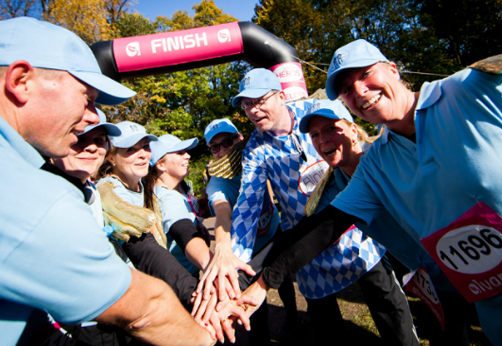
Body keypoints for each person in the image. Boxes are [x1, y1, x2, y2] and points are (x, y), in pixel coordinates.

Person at [234, 39, 502, 345]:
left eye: (365, 74)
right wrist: (263, 284)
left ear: (393, 68)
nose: (358, 91)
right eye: (345, 89)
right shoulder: (377, 166)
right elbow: (326, 226)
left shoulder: (475, 90)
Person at [0, 16, 217, 346]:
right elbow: (143, 308)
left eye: (101, 138)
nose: (91, 117)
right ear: (21, 81)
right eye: (86, 98)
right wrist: (205, 338)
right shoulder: (32, 194)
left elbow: (144, 246)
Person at [216, 68, 417, 345]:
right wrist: (232, 259)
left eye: (259, 100)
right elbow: (248, 205)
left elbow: (357, 138)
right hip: (306, 247)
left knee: (391, 310)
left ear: (282, 96)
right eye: (246, 104)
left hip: (355, 231)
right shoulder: (255, 148)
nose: (252, 110)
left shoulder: (318, 112)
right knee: (326, 329)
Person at [299, 99, 475, 345]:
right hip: (420, 269)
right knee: (445, 331)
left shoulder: (385, 155)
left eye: (331, 128)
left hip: (460, 251)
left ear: (352, 129)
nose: (322, 139)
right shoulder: (331, 185)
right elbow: (308, 232)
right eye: (315, 134)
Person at [197, 118, 298, 345]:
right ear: (211, 152)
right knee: (255, 303)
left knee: (283, 282)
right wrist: (222, 246)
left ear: (240, 139)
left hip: (274, 232)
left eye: (228, 141)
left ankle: (293, 319)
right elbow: (223, 213)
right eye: (215, 147)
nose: (223, 150)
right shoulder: (217, 184)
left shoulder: (257, 159)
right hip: (249, 249)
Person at [146, 133, 212, 276]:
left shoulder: (180, 188)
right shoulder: (167, 197)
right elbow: (183, 231)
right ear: (160, 164)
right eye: (180, 153)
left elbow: (197, 209)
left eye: (186, 152)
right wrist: (214, 265)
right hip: (180, 283)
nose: (187, 156)